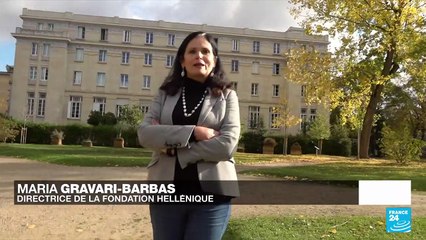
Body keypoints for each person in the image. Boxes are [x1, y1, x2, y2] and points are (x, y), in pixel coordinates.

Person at [137, 31, 241, 240]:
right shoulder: (165, 94)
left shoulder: (227, 96)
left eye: (205, 51)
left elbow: (226, 145)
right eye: (192, 51)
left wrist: (174, 147)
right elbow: (145, 134)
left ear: (214, 60)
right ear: (182, 61)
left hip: (213, 196)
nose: (199, 56)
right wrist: (194, 133)